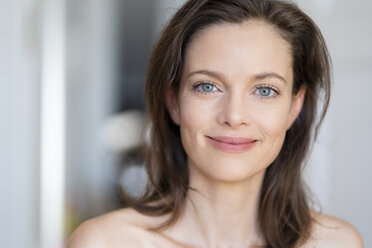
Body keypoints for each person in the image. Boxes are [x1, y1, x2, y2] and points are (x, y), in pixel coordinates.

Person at [68, 0, 364, 247]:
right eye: (207, 86)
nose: (234, 116)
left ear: (294, 106)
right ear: (174, 102)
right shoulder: (104, 242)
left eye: (264, 90)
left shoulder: (337, 243)